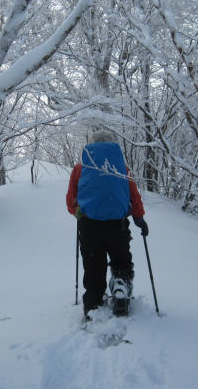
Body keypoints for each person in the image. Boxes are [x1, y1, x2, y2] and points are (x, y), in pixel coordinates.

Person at [66, 130, 149, 318]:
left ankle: (93, 303)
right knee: (121, 261)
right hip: (117, 227)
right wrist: (139, 218)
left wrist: (78, 212)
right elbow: (133, 195)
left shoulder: (81, 169)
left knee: (94, 266)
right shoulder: (120, 168)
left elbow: (71, 200)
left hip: (89, 226)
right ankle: (121, 285)